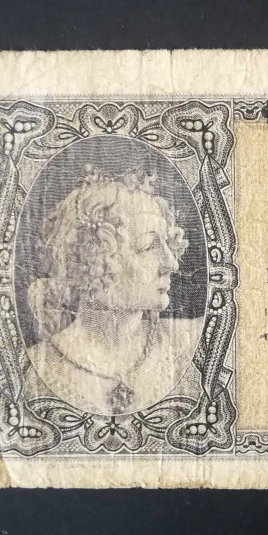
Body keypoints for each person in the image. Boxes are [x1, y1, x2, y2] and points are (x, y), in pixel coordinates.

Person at [24, 167, 203, 416]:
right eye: (148, 246)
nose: (171, 263)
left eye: (167, 243)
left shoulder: (189, 342)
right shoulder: (37, 368)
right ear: (93, 258)